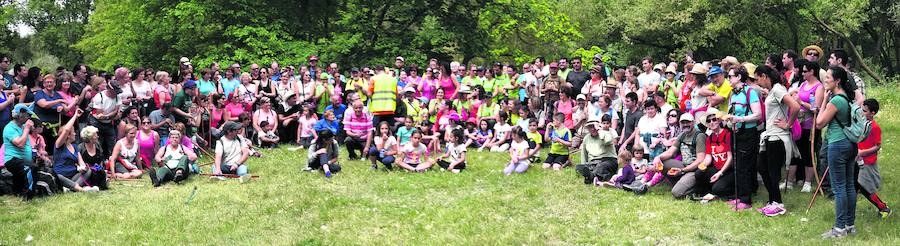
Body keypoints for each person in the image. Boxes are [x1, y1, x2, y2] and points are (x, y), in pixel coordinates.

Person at [815, 66, 859, 238]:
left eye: (828, 78)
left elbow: (819, 123)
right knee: (849, 186)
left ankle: (839, 229)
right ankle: (850, 226)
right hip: (849, 144)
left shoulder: (836, 101)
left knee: (839, 188)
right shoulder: (847, 98)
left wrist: (825, 100)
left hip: (837, 145)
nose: (825, 80)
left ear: (837, 80)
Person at [756, 65, 800, 217]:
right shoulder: (773, 90)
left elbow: (795, 106)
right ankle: (772, 201)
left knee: (772, 171)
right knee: (762, 167)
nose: (757, 82)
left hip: (777, 137)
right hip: (769, 135)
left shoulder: (777, 89)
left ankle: (778, 203)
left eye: (757, 78)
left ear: (764, 76)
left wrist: (788, 124)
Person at [722, 66, 762, 210]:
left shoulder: (750, 92)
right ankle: (739, 196)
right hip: (735, 132)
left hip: (748, 133)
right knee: (737, 164)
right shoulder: (733, 93)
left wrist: (740, 119)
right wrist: (726, 118)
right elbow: (731, 112)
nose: (728, 79)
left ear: (739, 77)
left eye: (731, 76)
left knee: (744, 166)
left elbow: (758, 114)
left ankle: (746, 199)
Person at [784, 61, 824, 192]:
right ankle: (789, 181)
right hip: (798, 124)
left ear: (812, 72)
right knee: (795, 152)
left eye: (805, 71)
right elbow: (794, 94)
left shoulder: (819, 87)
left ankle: (807, 182)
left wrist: (800, 102)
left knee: (808, 153)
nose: (802, 73)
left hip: (809, 125)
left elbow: (816, 109)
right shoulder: (803, 84)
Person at [655, 113, 706, 199]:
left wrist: (682, 170)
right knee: (662, 163)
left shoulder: (699, 136)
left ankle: (697, 190)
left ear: (693, 122)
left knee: (676, 193)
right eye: (683, 122)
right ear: (679, 124)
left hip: (695, 170)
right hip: (684, 165)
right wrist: (658, 158)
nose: (685, 124)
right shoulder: (682, 135)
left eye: (688, 122)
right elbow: (670, 152)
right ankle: (679, 183)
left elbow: (700, 160)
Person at [856, 99, 891, 219]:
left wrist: (862, 152)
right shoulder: (861, 123)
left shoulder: (875, 127)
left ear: (873, 113)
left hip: (867, 162)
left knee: (866, 188)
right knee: (855, 185)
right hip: (857, 160)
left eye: (865, 111)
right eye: (862, 109)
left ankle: (883, 207)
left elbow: (877, 146)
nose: (862, 112)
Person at [693, 110, 735, 203]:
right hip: (716, 168)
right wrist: (702, 165)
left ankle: (722, 193)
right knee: (699, 173)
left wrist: (720, 173)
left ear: (719, 120)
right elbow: (708, 157)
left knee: (717, 189)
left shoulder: (727, 134)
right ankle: (705, 194)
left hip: (728, 170)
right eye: (709, 121)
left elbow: (730, 158)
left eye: (714, 119)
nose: (711, 122)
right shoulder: (709, 137)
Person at [4, 104, 35, 198]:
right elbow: (20, 144)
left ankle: (18, 194)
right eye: (27, 115)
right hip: (12, 159)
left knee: (21, 177)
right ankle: (28, 196)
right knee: (29, 169)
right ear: (20, 115)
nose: (29, 117)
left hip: (21, 159)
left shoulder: (22, 126)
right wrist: (26, 129)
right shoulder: (9, 128)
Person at [574, 119, 618, 185]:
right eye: (590, 127)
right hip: (593, 162)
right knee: (579, 166)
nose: (592, 129)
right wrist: (584, 165)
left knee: (601, 167)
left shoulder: (606, 133)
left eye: (594, 127)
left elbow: (608, 141)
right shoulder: (586, 138)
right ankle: (597, 176)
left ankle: (591, 177)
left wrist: (600, 130)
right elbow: (584, 154)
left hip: (608, 160)